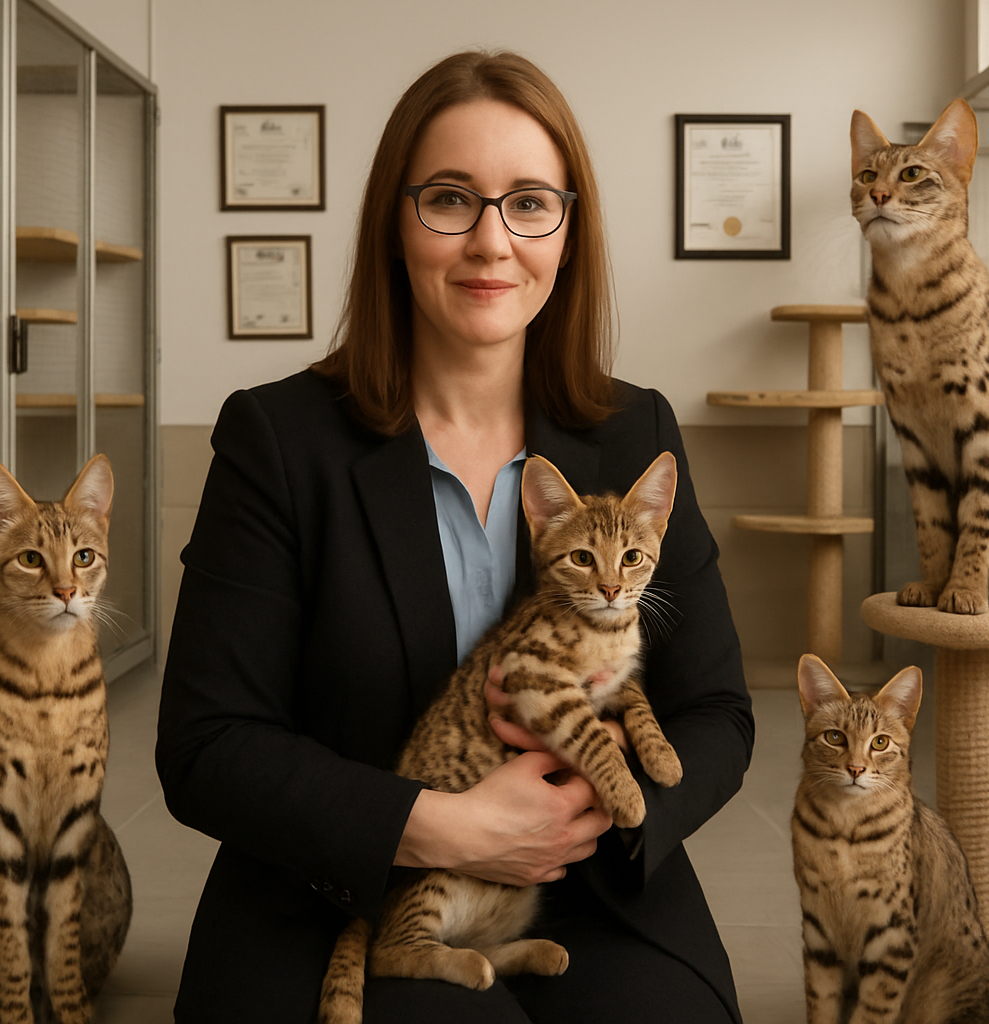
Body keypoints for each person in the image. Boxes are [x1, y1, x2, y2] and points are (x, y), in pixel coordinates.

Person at [155, 49, 754, 1022]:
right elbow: (206, 743)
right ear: (395, 223)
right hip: (347, 890)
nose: (490, 240)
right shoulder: (278, 438)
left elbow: (719, 711)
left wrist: (587, 813)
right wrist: (440, 826)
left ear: (567, 230)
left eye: (528, 202)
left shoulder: (634, 429)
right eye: (449, 199)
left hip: (595, 880)